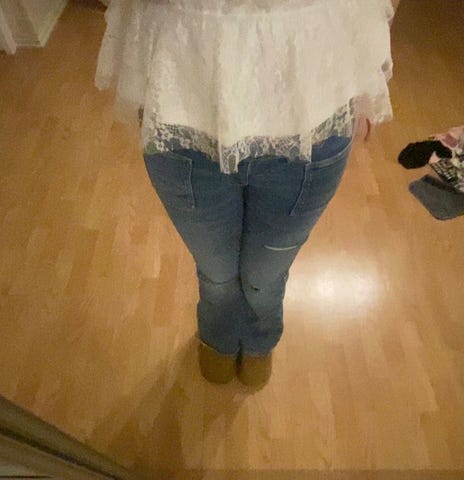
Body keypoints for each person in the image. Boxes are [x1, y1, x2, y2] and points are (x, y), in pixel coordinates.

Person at [95, 0, 399, 388]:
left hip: (313, 99)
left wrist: (366, 71)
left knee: (265, 276)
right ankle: (218, 337)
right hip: (184, 102)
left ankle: (259, 341)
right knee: (217, 273)